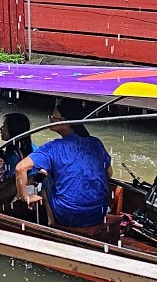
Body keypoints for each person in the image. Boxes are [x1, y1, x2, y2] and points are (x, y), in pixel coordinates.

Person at [15, 98, 112, 230]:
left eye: (53, 118)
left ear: (66, 123)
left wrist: (24, 196)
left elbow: (20, 168)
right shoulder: (95, 142)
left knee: (46, 181)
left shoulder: (53, 147)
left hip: (69, 215)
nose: (50, 120)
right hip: (99, 212)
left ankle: (52, 223)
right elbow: (109, 174)